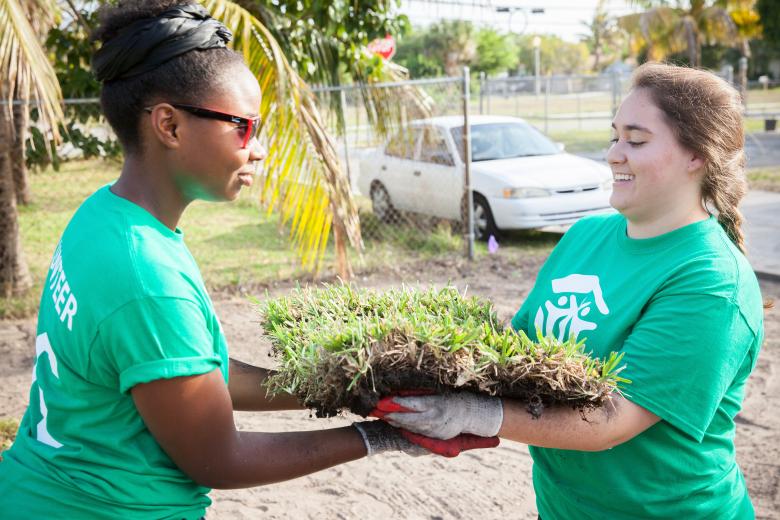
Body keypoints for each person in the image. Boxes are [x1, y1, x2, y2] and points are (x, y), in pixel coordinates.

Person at [0, 2, 497, 518]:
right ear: (169, 126)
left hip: (36, 489)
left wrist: (353, 388)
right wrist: (380, 437)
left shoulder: (103, 218)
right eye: (242, 127)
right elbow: (219, 460)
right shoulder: (145, 276)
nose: (257, 149)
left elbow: (198, 378)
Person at [375, 62, 767, 519]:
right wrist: (418, 378)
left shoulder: (711, 280)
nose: (615, 153)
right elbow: (517, 354)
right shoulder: (585, 236)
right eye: (615, 136)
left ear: (696, 155)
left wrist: (475, 415)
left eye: (636, 140)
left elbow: (612, 420)